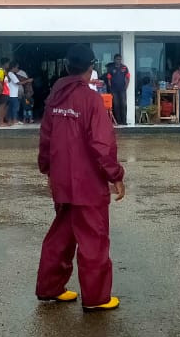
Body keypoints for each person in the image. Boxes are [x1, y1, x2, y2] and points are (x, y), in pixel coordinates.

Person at [35, 43, 125, 311]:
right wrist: (116, 175)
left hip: (62, 180)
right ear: (91, 67)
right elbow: (102, 144)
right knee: (93, 239)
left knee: (61, 236)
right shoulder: (90, 100)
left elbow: (45, 138)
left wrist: (47, 169)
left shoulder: (55, 98)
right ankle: (97, 298)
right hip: (87, 183)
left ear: (66, 67)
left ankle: (50, 288)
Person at [107, 54, 131, 125]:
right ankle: (118, 121)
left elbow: (127, 78)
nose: (119, 60)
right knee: (116, 105)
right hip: (114, 90)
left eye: (120, 59)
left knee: (123, 104)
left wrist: (126, 87)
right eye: (117, 59)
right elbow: (109, 79)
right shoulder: (111, 68)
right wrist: (111, 88)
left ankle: (124, 121)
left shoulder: (124, 68)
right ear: (114, 60)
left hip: (122, 89)